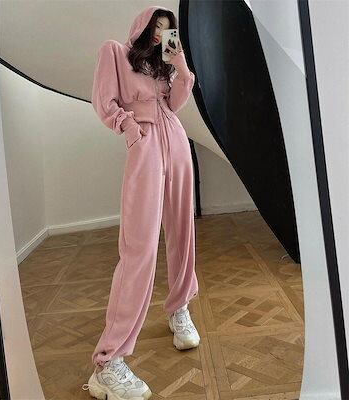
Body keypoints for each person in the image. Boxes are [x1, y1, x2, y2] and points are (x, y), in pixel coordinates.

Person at [82, 5, 200, 399]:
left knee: (182, 232)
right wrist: (130, 127)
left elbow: (176, 103)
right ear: (144, 26)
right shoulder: (114, 52)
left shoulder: (164, 67)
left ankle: (179, 307)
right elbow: (105, 103)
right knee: (140, 246)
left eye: (168, 29)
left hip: (176, 140)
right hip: (146, 144)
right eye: (157, 26)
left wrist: (180, 65)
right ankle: (108, 360)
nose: (162, 33)